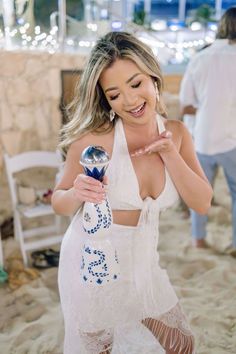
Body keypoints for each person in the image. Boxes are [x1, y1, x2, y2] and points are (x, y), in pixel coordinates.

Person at [52, 31, 212, 354]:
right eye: (114, 94)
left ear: (153, 76)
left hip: (143, 263)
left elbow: (203, 203)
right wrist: (76, 194)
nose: (129, 101)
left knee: (182, 344)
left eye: (136, 84)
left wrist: (169, 153)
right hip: (93, 262)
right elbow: (59, 201)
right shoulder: (95, 140)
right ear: (105, 100)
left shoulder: (178, 134)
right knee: (103, 349)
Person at [179, 7, 236, 252]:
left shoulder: (199, 58)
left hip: (202, 138)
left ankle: (198, 239)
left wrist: (207, 108)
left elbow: (186, 105)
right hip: (232, 139)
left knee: (200, 194)